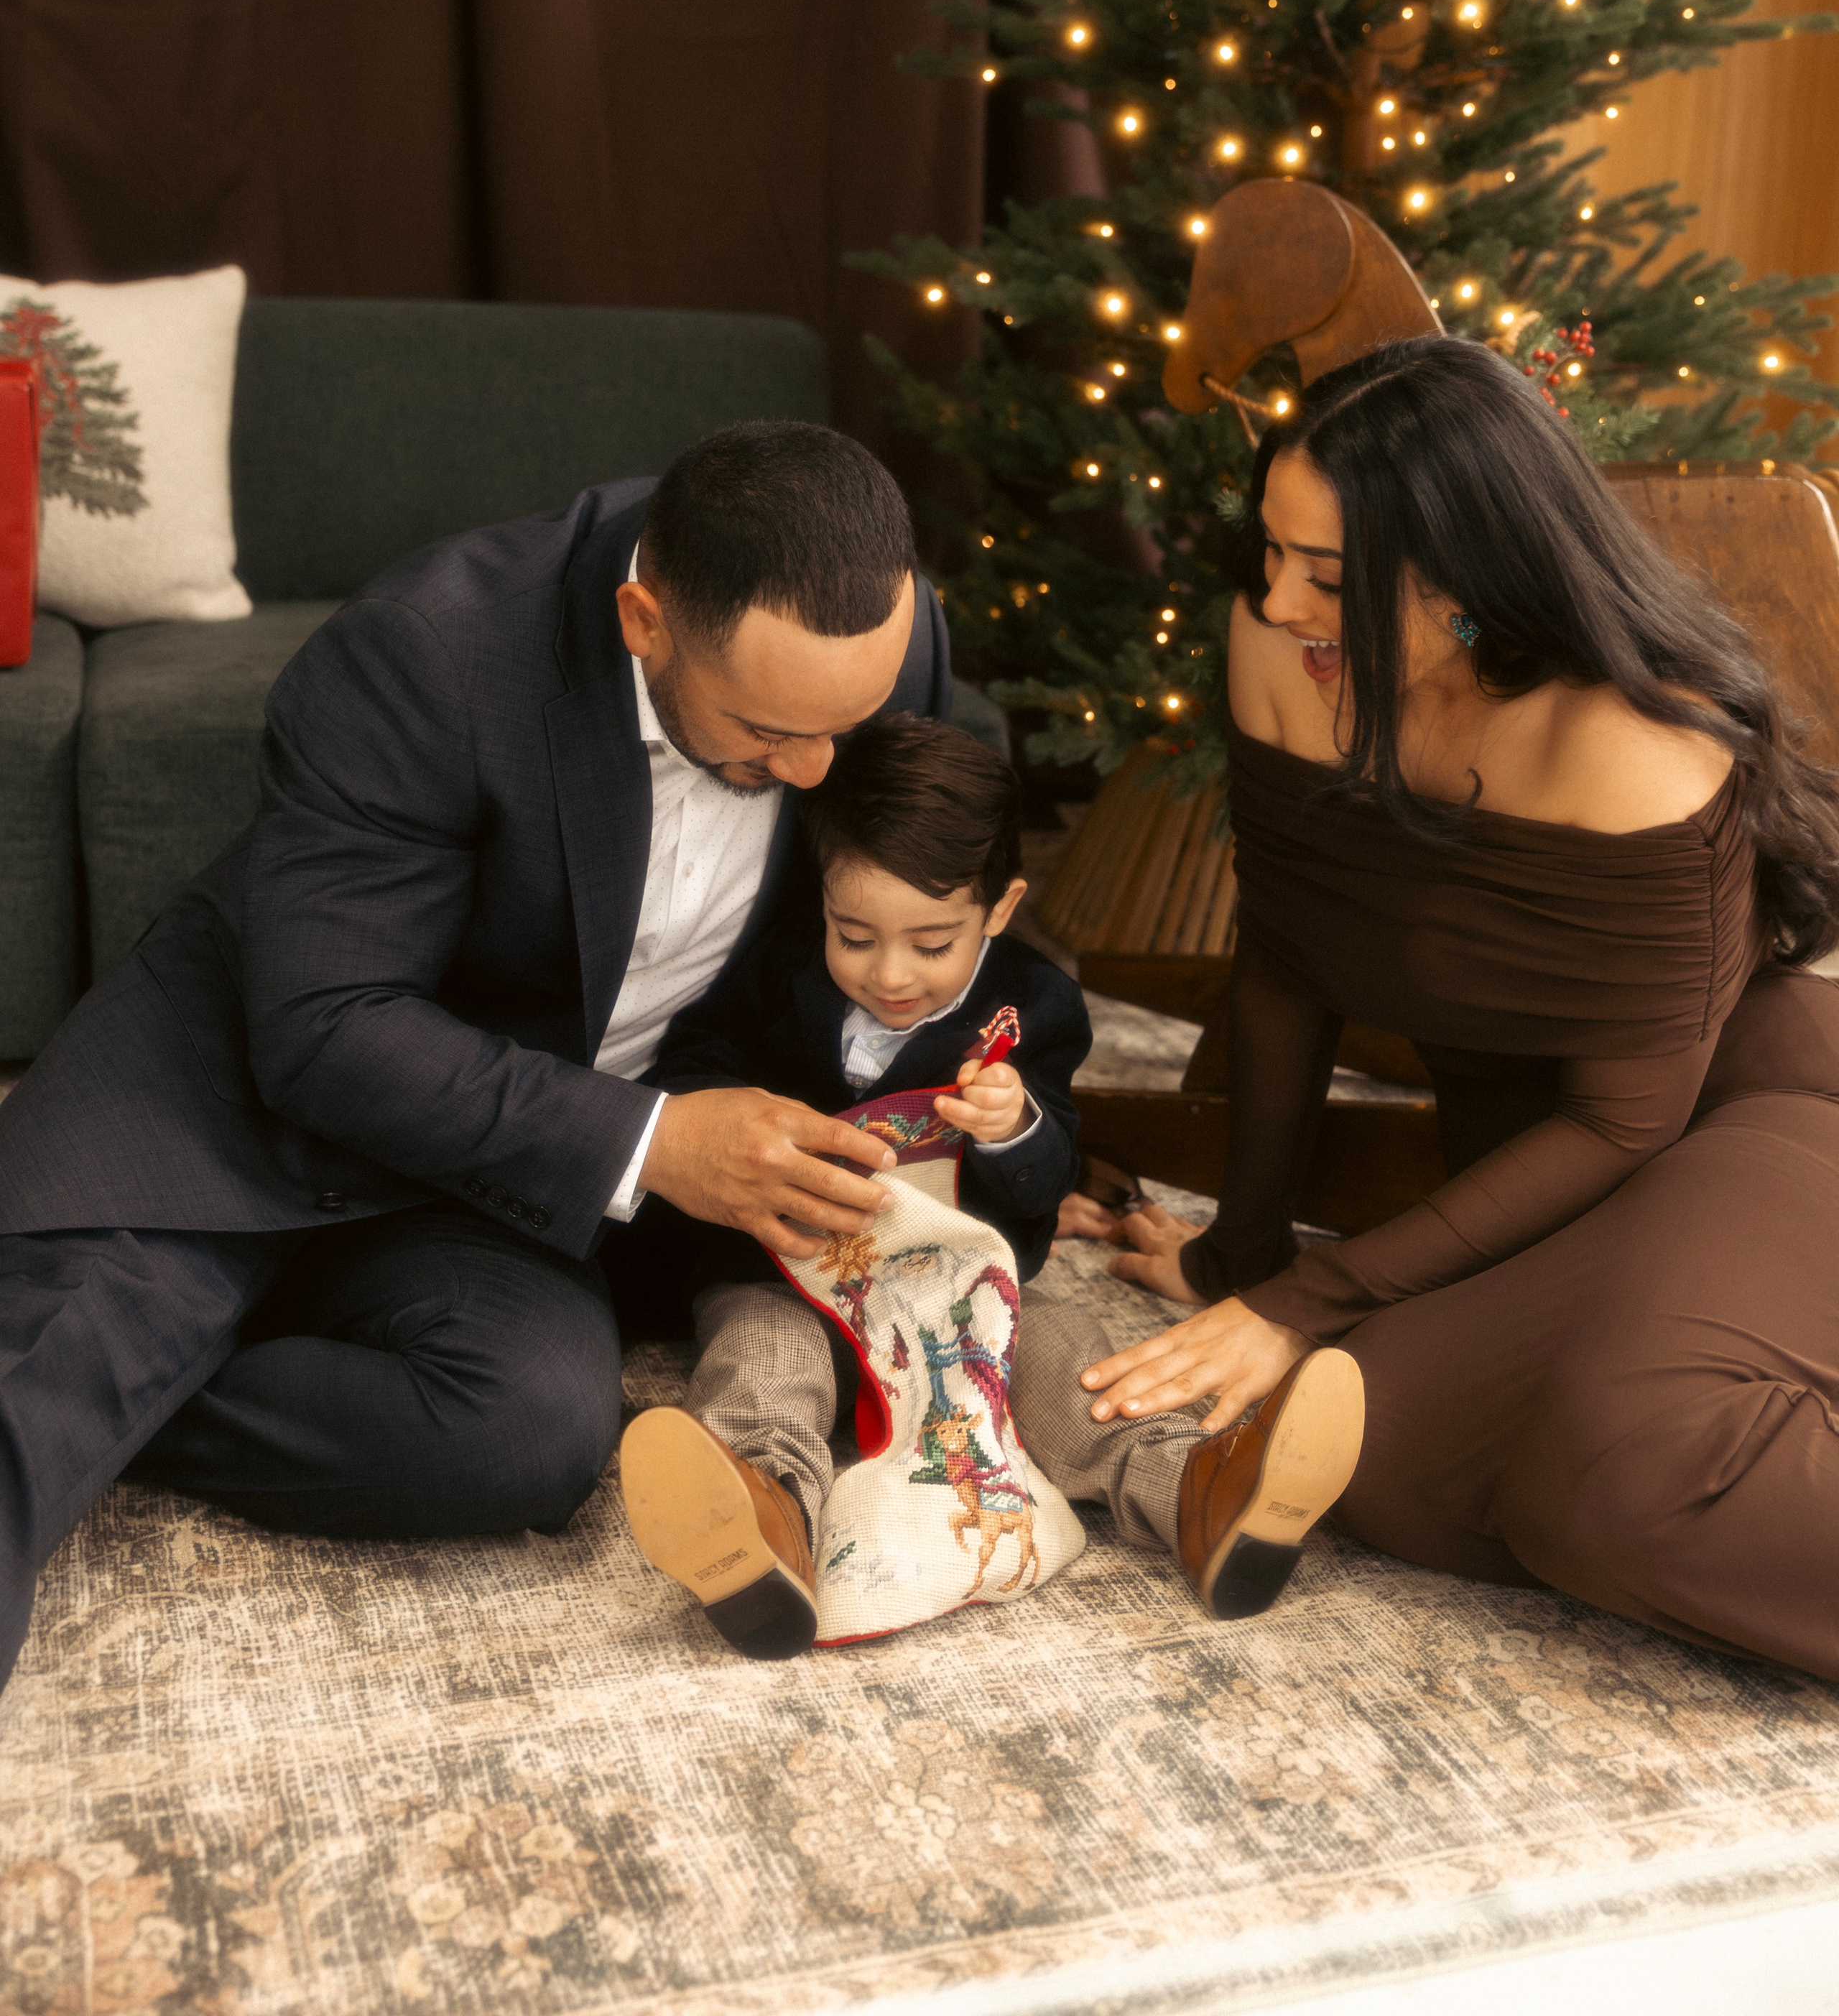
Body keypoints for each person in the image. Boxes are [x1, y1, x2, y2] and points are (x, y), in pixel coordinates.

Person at [0, 419, 953, 1692]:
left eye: (850, 723)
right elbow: (324, 1029)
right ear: (643, 621)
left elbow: (905, 908)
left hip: (500, 1163)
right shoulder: (427, 654)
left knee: (534, 1433)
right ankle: (117, 1349)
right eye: (770, 731)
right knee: (33, 1402)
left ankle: (161, 1373)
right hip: (231, 1114)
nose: (820, 768)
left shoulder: (875, 649)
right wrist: (658, 1142)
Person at [1014, 337, 1839, 1675]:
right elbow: (1289, 961)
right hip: (1561, 1187)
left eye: (1327, 576)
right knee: (1373, 1462)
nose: (1279, 604)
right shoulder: (1287, 650)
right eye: (1269, 554)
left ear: (1469, 579)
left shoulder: (1632, 738)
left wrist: (1315, 1294)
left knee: (1629, 1471)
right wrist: (1250, 1260)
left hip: (1754, 1129)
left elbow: (1626, 1124)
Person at [619, 713, 1088, 1657]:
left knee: (1072, 1365)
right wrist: (735, 1115)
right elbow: (698, 1066)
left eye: (931, 942)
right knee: (761, 1367)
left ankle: (1196, 1484)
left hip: (955, 1291)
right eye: (856, 935)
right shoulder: (776, 970)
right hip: (785, 1275)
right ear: (821, 900)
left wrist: (1018, 1128)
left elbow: (1050, 1179)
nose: (890, 973)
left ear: (998, 911)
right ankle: (764, 1526)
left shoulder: (1028, 1007)